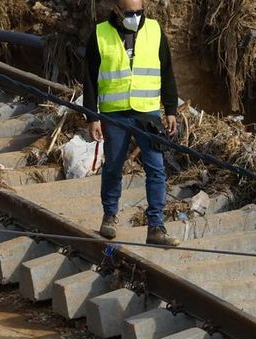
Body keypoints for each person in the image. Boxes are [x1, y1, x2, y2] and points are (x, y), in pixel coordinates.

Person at [83, 0, 181, 248]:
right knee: (113, 166)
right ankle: (110, 216)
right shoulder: (100, 33)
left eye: (139, 12)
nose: (135, 17)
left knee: (156, 169)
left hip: (147, 113)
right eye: (130, 13)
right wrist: (91, 116)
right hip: (114, 114)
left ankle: (156, 226)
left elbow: (167, 71)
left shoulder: (155, 30)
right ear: (116, 10)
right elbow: (90, 78)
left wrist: (170, 110)